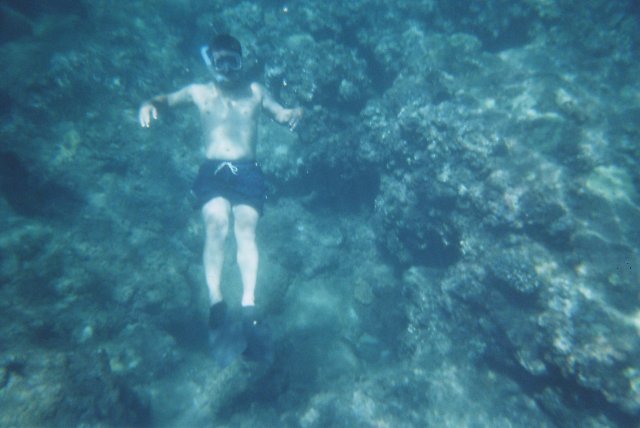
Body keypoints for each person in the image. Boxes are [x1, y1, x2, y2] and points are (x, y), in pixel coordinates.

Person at [138, 34, 302, 364]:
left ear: (242, 62)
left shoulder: (255, 92)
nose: (227, 69)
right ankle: (216, 303)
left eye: (233, 61)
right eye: (220, 62)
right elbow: (166, 100)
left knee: (246, 231)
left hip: (247, 171)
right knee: (216, 228)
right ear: (210, 63)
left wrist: (295, 112)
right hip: (212, 172)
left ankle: (249, 305)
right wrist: (148, 104)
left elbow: (281, 114)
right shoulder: (199, 92)